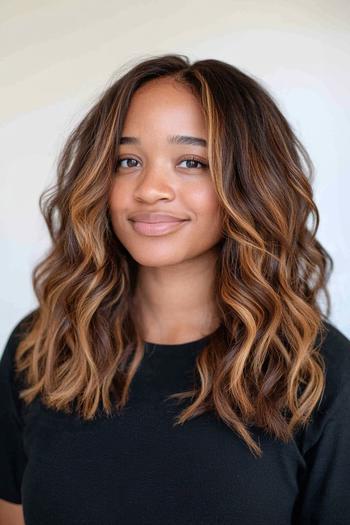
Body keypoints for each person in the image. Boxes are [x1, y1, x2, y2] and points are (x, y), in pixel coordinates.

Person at [1, 54, 349, 525]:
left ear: (250, 182)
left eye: (191, 161)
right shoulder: (41, 348)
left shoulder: (318, 371)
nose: (150, 189)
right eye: (128, 161)